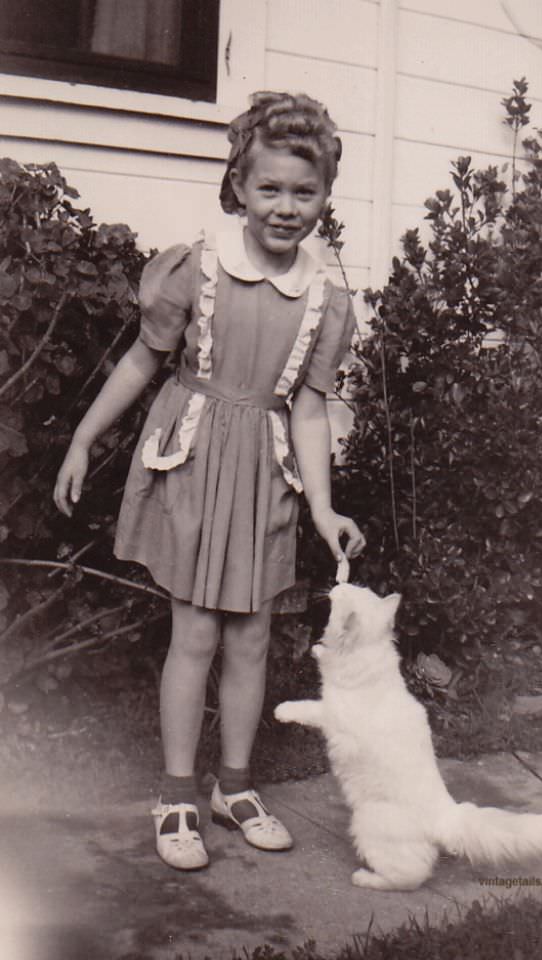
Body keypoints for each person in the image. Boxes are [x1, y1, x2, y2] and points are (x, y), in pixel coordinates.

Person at [53, 91, 366, 871]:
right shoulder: (199, 269)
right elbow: (140, 360)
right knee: (195, 634)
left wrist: (323, 508)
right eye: (270, 189)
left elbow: (308, 411)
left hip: (265, 475)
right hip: (193, 464)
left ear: (325, 196)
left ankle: (234, 785)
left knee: (252, 637)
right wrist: (86, 438)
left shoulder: (325, 300)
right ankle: (176, 793)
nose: (286, 208)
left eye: (304, 192)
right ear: (239, 186)